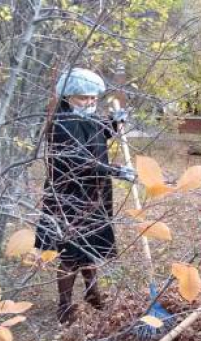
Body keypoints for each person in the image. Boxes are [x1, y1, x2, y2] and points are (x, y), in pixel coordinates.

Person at [36, 68, 136, 325]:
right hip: (69, 197)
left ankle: (93, 295)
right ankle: (65, 306)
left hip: (93, 194)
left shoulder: (84, 117)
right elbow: (80, 161)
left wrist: (115, 122)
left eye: (93, 98)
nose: (90, 103)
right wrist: (116, 170)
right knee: (70, 253)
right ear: (68, 97)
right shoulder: (61, 123)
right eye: (83, 98)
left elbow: (98, 132)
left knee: (88, 249)